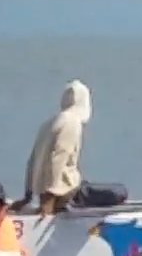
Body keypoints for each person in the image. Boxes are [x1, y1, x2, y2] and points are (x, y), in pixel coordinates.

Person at [13, 80, 92, 216]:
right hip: (67, 193)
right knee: (119, 192)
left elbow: (32, 161)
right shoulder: (72, 122)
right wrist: (49, 199)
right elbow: (58, 158)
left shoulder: (48, 124)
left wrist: (28, 195)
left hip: (43, 192)